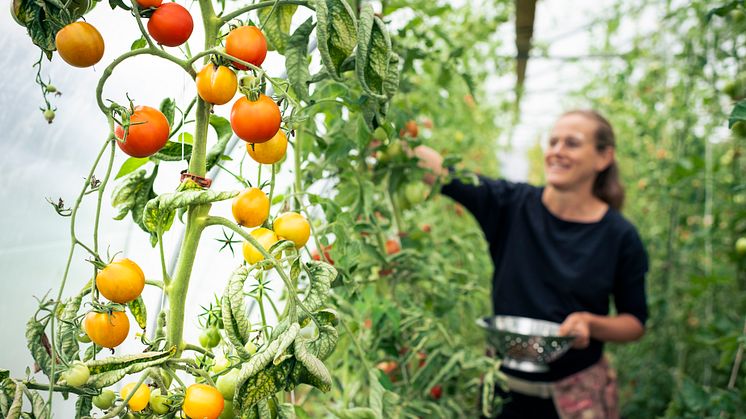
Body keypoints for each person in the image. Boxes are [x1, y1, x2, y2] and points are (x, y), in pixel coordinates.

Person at [413, 110, 648, 418]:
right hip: (504, 393)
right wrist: (394, 134)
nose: (556, 151)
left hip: (575, 399)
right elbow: (445, 174)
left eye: (572, 143)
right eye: (553, 142)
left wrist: (591, 324)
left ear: (603, 158)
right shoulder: (511, 205)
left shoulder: (620, 236)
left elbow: (634, 323)